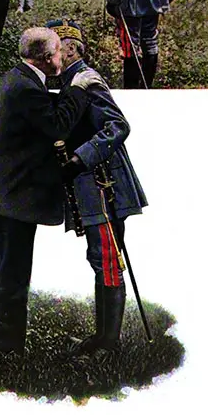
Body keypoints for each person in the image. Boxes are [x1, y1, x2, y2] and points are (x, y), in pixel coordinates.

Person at [0, 26, 104, 355]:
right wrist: (79, 89)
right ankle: (6, 348)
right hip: (11, 198)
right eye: (59, 52)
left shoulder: (16, 78)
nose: (63, 57)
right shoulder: (28, 89)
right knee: (13, 274)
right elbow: (56, 125)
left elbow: (41, 113)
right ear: (47, 59)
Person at [46, 18, 148, 355]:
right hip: (91, 185)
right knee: (100, 258)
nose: (49, 56)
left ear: (70, 49)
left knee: (106, 258)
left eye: (54, 48)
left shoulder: (87, 81)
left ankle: (108, 343)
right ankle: (102, 338)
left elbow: (118, 125)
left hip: (105, 184)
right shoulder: (67, 79)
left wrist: (80, 159)